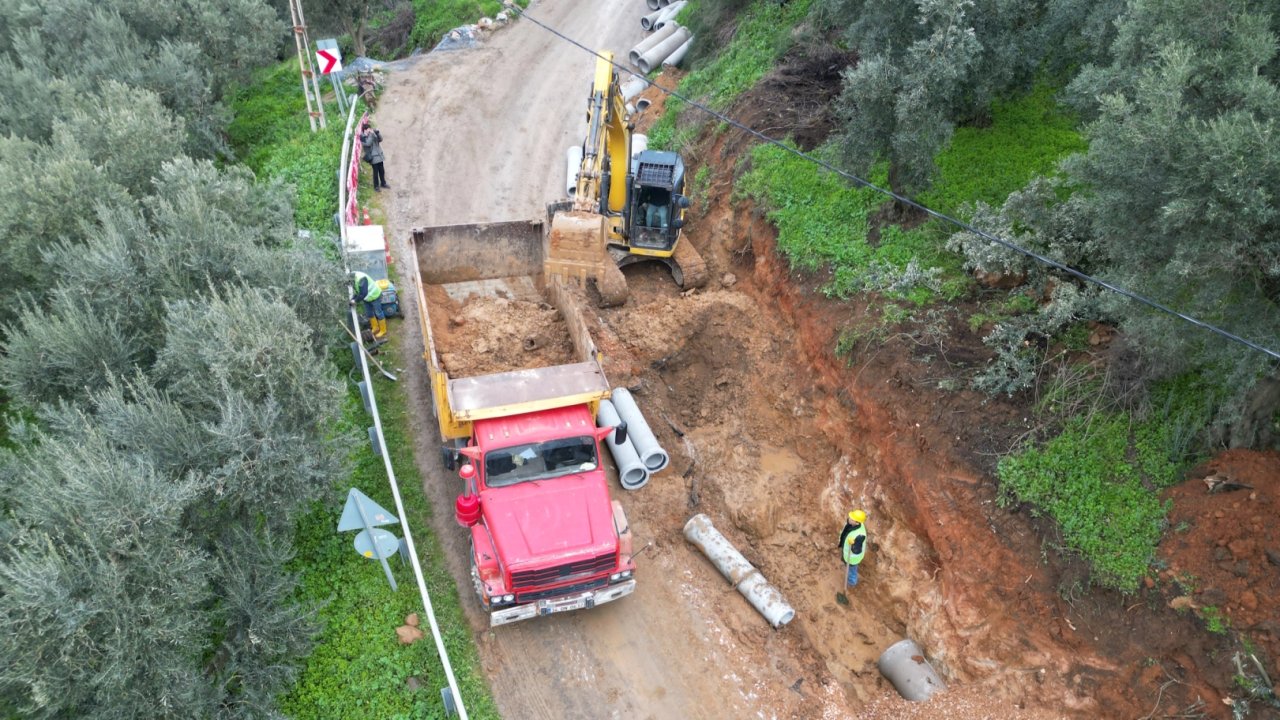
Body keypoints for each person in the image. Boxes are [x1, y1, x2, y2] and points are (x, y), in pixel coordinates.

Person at [351, 270, 387, 339]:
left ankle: (383, 330)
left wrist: (355, 301)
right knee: (369, 313)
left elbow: (363, 293)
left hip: (375, 295)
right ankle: (375, 327)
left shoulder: (361, 279)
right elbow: (358, 292)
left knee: (378, 313)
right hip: (367, 298)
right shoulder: (354, 279)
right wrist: (352, 299)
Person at [840, 509, 868, 591]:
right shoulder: (853, 524)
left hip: (852, 559)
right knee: (848, 566)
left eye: (852, 518)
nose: (849, 519)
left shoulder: (860, 535)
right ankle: (847, 567)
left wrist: (854, 544)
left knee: (852, 571)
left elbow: (856, 551)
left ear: (857, 522)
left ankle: (852, 582)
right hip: (846, 553)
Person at [361, 124, 389, 192]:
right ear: (365, 130)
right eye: (368, 130)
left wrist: (377, 133)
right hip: (373, 157)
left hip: (379, 155)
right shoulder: (362, 137)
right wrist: (372, 134)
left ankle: (383, 183)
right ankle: (376, 186)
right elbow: (368, 143)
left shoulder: (372, 135)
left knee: (382, 171)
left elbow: (380, 139)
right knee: (375, 172)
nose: (369, 131)